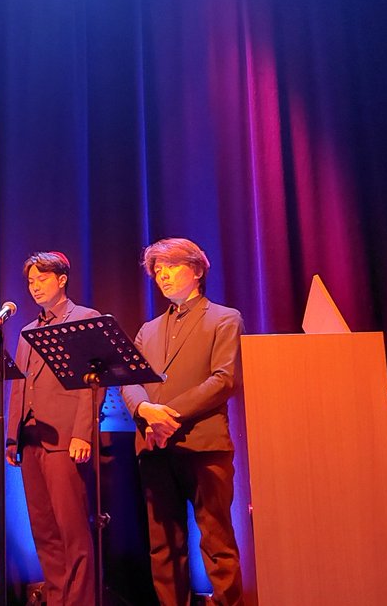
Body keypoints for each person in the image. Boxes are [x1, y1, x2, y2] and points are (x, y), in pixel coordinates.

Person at [120, 238, 244, 606]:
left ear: (197, 269)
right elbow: (130, 380)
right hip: (155, 447)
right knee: (163, 547)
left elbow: (224, 379)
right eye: (158, 270)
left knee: (217, 542)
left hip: (203, 444)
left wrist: (166, 415)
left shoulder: (225, 318)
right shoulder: (148, 329)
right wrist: (146, 411)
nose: (163, 275)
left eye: (172, 266)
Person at [5, 251, 100, 606]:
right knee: (43, 530)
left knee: (72, 531)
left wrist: (82, 432)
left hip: (64, 438)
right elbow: (19, 386)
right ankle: (58, 599)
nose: (34, 287)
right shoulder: (28, 330)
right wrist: (12, 437)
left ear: (61, 280)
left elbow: (93, 382)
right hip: (31, 440)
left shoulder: (84, 319)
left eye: (42, 279)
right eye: (30, 281)